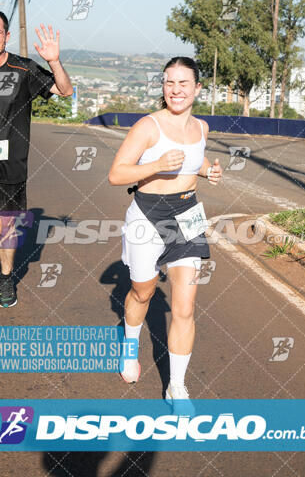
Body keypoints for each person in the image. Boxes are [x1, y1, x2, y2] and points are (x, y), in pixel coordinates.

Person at [108, 56, 222, 403]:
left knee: (184, 307)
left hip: (187, 214)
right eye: (169, 82)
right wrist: (156, 165)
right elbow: (116, 174)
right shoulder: (148, 127)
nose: (176, 89)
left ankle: (177, 386)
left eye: (183, 83)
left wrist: (207, 172)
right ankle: (130, 345)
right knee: (142, 293)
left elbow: (195, 156)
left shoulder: (201, 128)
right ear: (163, 87)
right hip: (147, 214)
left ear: (197, 88)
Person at [0, 9, 73, 323]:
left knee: (7, 229)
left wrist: (54, 61)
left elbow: (64, 90)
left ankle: (6, 276)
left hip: (10, 166)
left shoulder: (23, 68)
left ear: (6, 36)